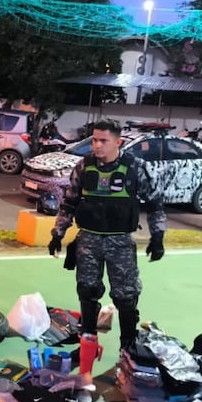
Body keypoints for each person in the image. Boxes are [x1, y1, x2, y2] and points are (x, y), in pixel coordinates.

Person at [49, 119, 166, 375]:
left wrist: (158, 236)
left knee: (125, 298)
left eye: (104, 141)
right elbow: (69, 203)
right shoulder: (84, 166)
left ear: (118, 142)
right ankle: (87, 344)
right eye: (94, 139)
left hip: (121, 242)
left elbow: (156, 204)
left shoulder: (136, 167)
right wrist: (58, 233)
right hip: (88, 240)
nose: (97, 145)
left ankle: (128, 350)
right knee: (88, 293)